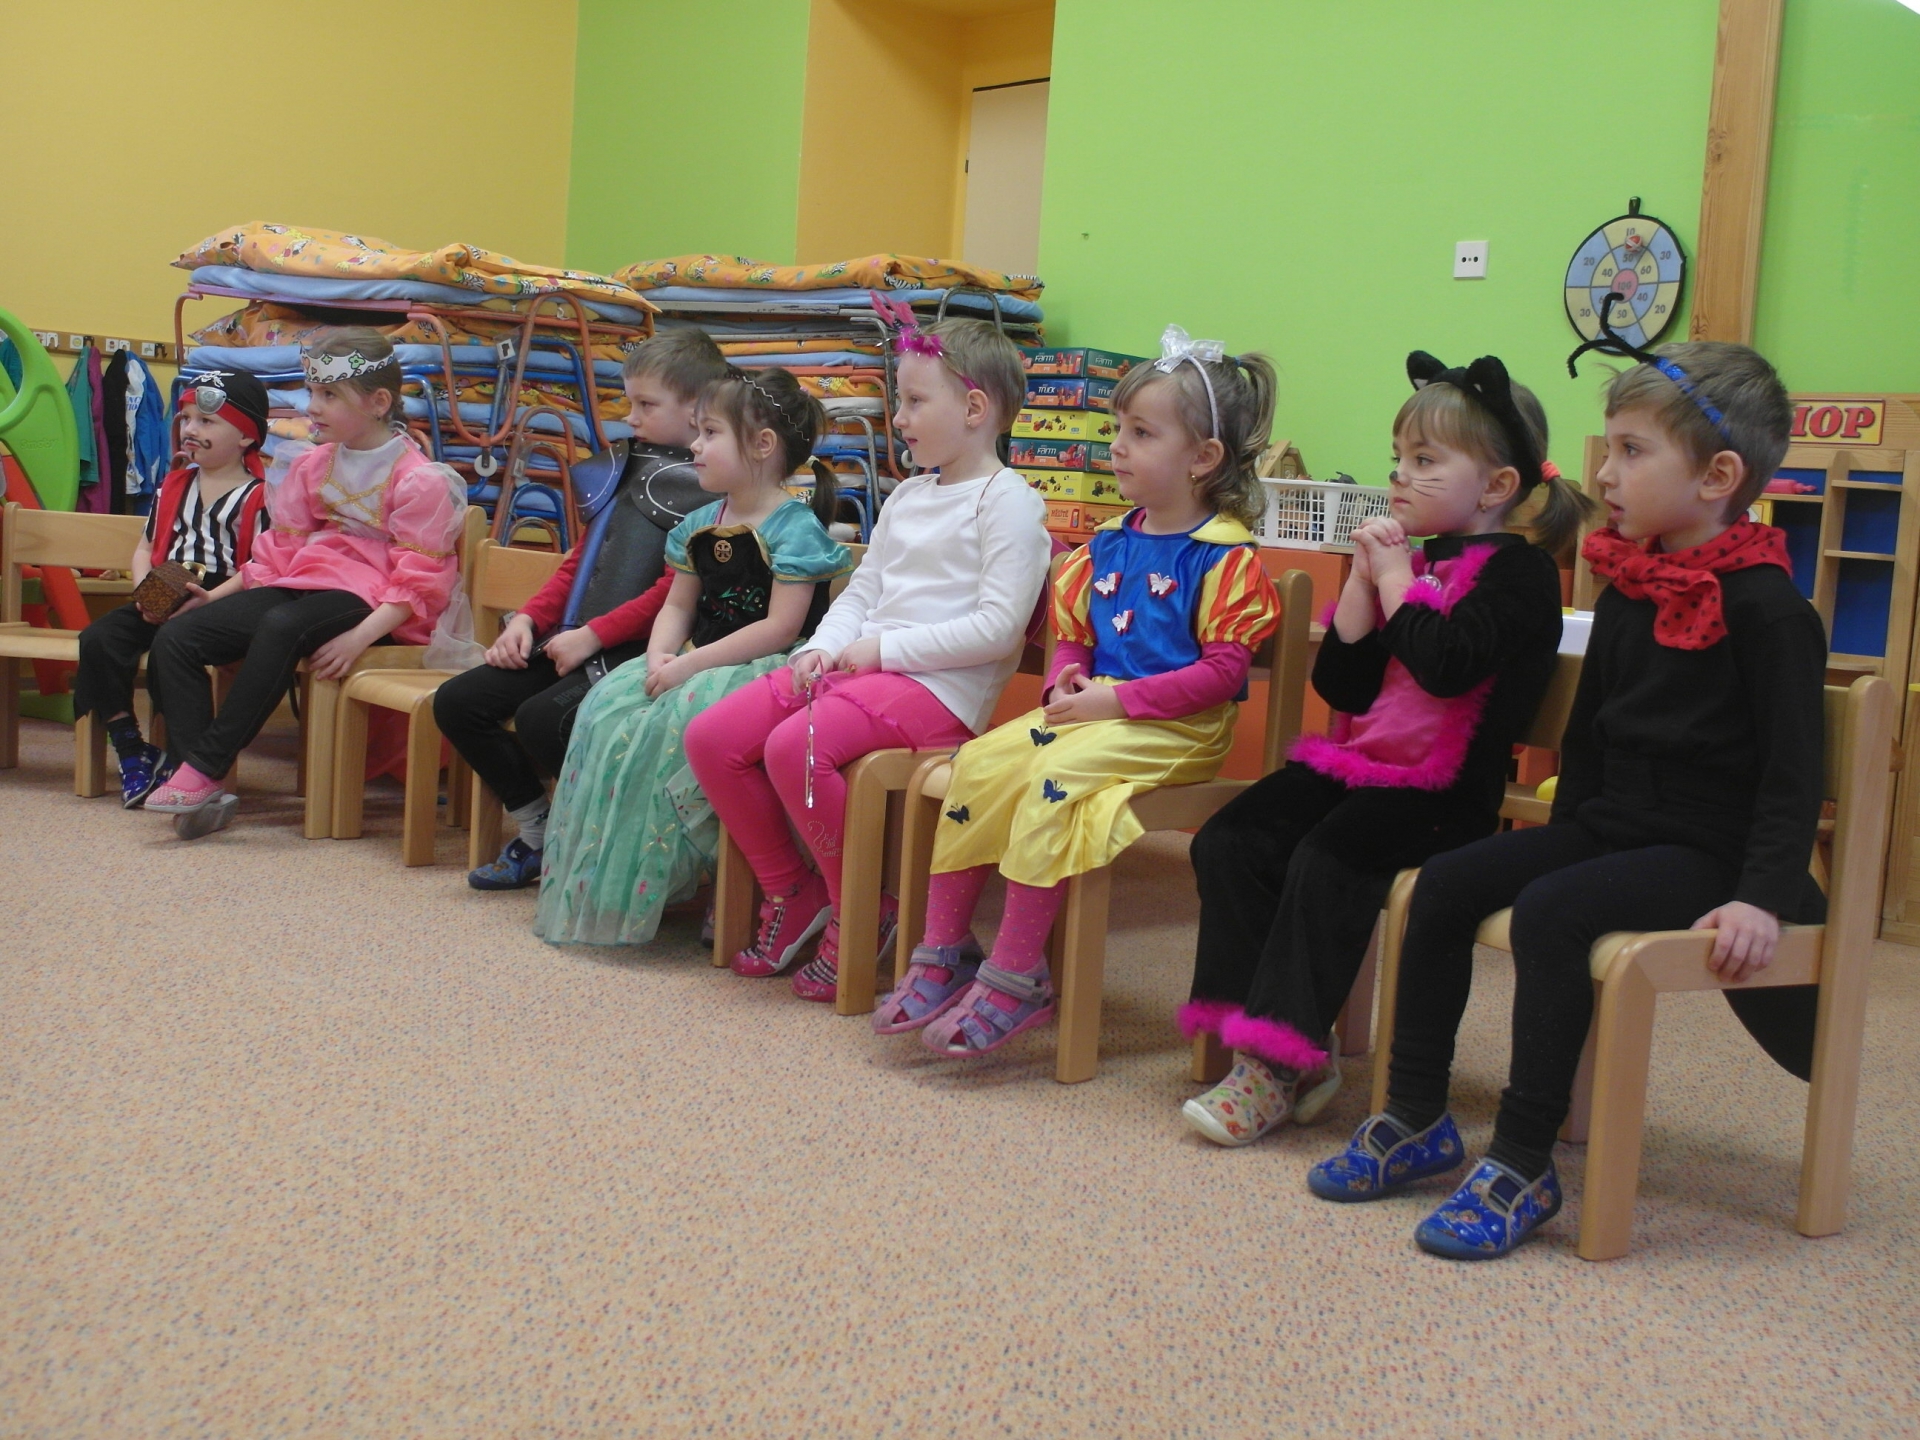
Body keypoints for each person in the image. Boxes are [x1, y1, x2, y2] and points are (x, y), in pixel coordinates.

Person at [1310, 340, 1821, 1262]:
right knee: (1441, 884)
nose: (1605, 473)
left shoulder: (1771, 609)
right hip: (1611, 826)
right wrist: (1567, 831)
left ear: (1717, 476)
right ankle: (1416, 1114)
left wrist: (1762, 894)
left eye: (1632, 451)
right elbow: (1589, 742)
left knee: (1553, 911)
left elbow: (1794, 776)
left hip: (1710, 855)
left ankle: (1522, 1160)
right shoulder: (1626, 588)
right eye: (1609, 448)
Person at [1180, 353, 1578, 1141]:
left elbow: (1446, 662)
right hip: (1363, 771)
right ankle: (1279, 1039)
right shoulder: (1415, 562)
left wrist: (1395, 580)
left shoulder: (1524, 575)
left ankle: (1274, 1064)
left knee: (1327, 859)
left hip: (1445, 795)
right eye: (1398, 457)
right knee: (1232, 839)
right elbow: (1347, 690)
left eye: (1425, 461)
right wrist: (1364, 584)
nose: (1399, 475)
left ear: (1496, 485)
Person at [868, 326, 1283, 1056]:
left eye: (1141, 433)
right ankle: (945, 951)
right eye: (1119, 429)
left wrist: (1113, 702)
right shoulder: (1109, 542)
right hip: (1099, 713)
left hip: (1177, 728)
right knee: (978, 764)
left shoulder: (1226, 558)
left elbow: (1221, 676)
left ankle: (1017, 975)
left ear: (1203, 458)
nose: (1117, 447)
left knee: (1052, 783)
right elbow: (1076, 631)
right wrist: (1069, 667)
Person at [683, 317, 1051, 997]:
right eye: (898, 400)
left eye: (914, 401)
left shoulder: (1011, 504)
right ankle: (791, 890)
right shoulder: (909, 495)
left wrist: (882, 650)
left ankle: (859, 909)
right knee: (711, 737)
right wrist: (823, 647)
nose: (898, 417)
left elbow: (999, 630)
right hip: (865, 674)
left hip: (939, 693)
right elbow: (864, 591)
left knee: (796, 747)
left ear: (974, 408)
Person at [532, 367, 850, 948]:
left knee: (685, 729)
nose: (695, 446)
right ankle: (628, 880)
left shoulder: (795, 527)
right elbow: (678, 605)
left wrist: (688, 667)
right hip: (694, 657)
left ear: (762, 445)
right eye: (698, 432)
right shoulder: (701, 522)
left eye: (710, 433)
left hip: (767, 667)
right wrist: (659, 655)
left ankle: (729, 878)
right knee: (609, 715)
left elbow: (779, 628)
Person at [142, 329, 469, 839]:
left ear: (378, 403)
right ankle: (200, 783)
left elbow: (420, 581)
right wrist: (213, 598)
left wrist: (360, 637)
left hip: (374, 600)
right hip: (308, 582)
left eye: (329, 394)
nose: (311, 406)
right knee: (180, 636)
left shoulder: (419, 479)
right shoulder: (313, 463)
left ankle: (204, 766)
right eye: (312, 391)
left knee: (281, 625)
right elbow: (278, 553)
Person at [435, 329, 729, 890]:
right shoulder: (627, 467)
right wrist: (528, 619)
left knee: (544, 721)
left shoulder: (714, 487)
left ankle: (603, 840)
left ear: (697, 408)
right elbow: (583, 563)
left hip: (638, 654)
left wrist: (593, 636)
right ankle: (539, 831)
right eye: (629, 402)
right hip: (578, 639)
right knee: (459, 702)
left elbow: (672, 593)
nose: (631, 418)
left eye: (647, 405)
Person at [72, 369, 270, 808]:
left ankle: (188, 765)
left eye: (207, 421)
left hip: (224, 592)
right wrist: (146, 589)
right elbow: (145, 548)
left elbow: (260, 566)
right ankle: (131, 746)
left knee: (172, 644)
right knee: (98, 638)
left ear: (245, 437)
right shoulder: (173, 485)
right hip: (169, 581)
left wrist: (211, 598)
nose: (191, 430)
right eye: (187, 419)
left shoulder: (259, 495)